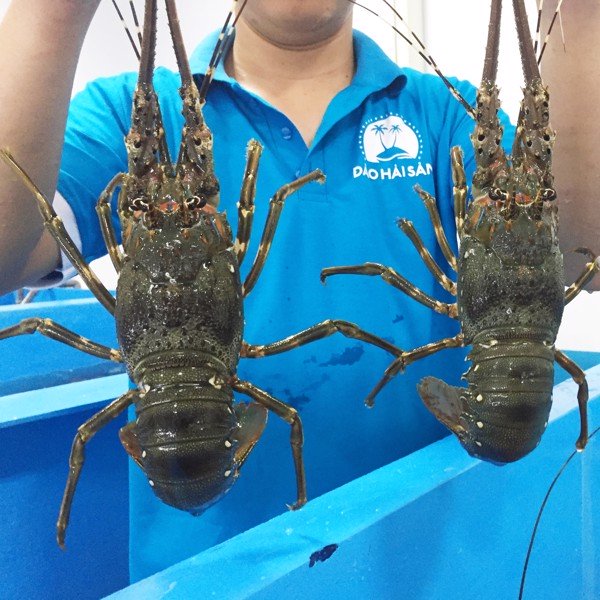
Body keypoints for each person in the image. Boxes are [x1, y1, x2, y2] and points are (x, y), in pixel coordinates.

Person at [0, 0, 597, 583]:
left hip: (427, 551)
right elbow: (9, 255)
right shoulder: (119, 111)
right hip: (209, 574)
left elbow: (578, 252)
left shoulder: (440, 114)